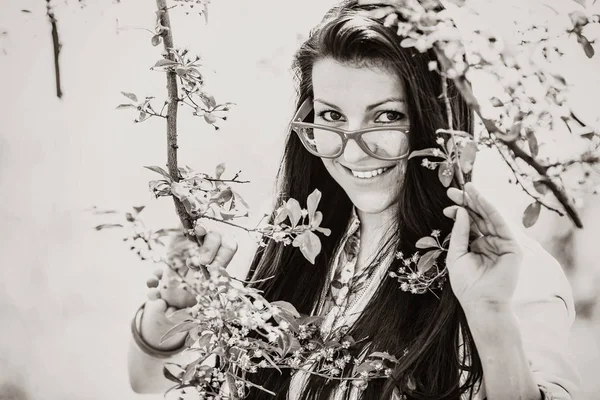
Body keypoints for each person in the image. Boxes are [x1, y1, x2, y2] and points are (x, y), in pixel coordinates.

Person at [127, 1, 580, 399]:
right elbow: (149, 381)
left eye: (387, 115)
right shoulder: (287, 244)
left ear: (437, 123)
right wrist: (177, 309)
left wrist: (490, 318)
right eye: (331, 116)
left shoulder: (514, 277)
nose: (352, 148)